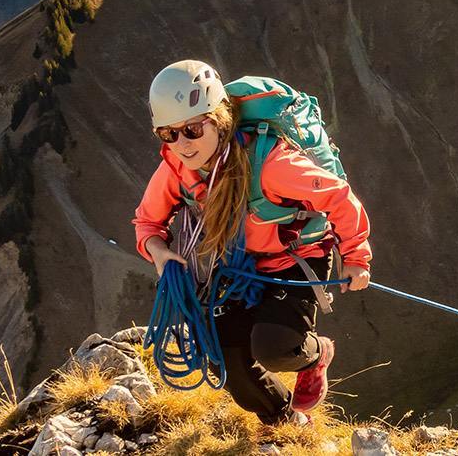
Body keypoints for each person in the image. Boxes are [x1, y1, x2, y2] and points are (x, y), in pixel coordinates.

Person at [133, 59, 372, 422]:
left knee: (274, 347)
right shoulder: (176, 169)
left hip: (295, 259)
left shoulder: (271, 164)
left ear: (218, 119)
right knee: (225, 363)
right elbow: (147, 222)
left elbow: (338, 197)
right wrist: (160, 252)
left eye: (192, 129)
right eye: (169, 134)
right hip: (237, 268)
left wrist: (355, 257)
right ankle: (285, 422)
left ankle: (316, 355)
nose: (181, 143)